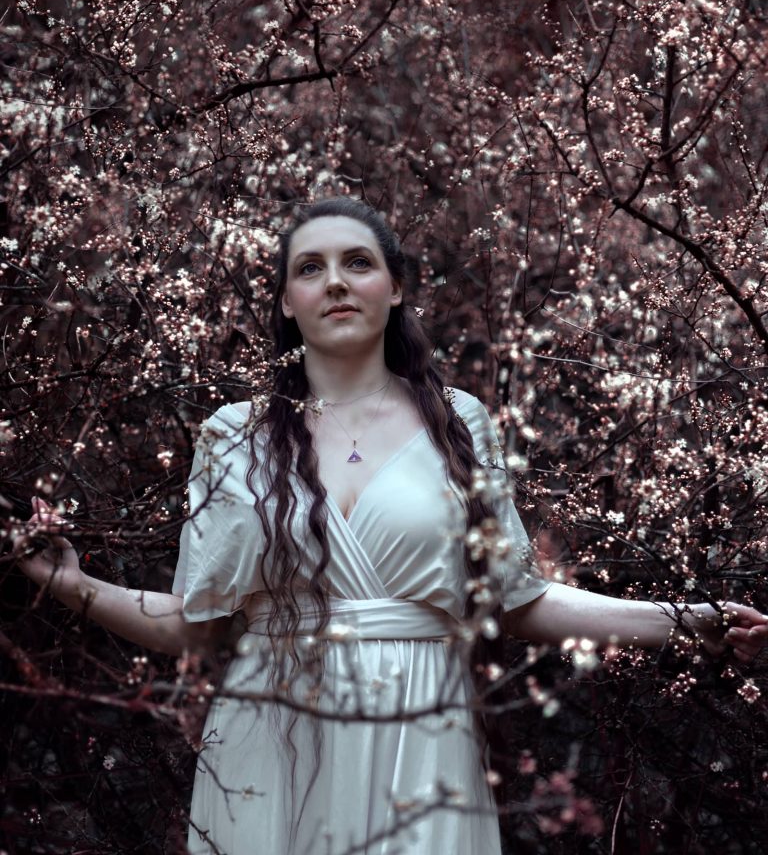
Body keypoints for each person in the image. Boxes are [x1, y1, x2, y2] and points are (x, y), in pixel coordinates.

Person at [16, 197, 768, 855]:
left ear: (396, 286)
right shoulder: (231, 435)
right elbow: (194, 624)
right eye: (310, 268)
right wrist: (71, 582)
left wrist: (684, 620)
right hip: (267, 731)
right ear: (285, 300)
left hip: (421, 727)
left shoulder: (458, 423)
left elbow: (519, 600)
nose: (335, 281)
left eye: (357, 262)